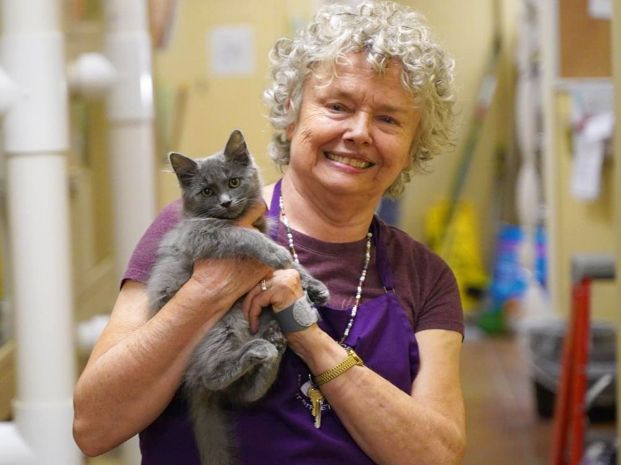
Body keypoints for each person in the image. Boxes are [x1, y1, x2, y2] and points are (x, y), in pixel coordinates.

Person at [73, 1, 466, 464]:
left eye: (388, 119)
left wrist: (308, 336)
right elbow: (93, 426)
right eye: (338, 105)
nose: (359, 132)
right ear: (291, 111)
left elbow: (437, 457)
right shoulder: (185, 228)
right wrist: (209, 288)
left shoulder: (425, 276)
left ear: (412, 145)